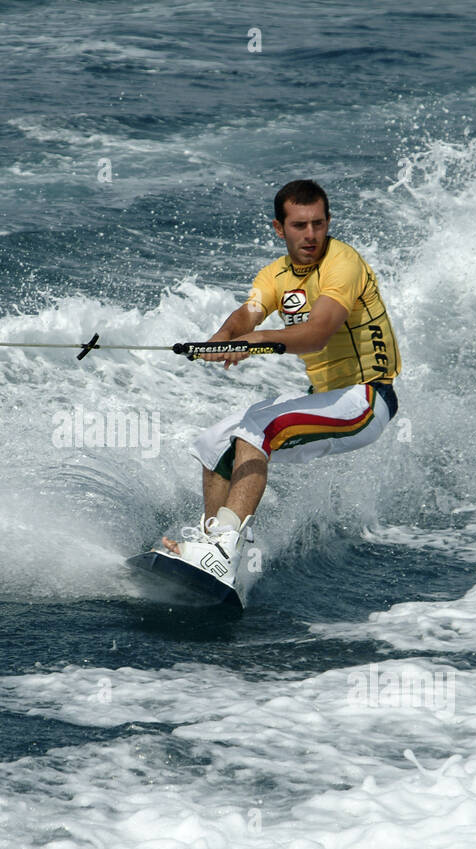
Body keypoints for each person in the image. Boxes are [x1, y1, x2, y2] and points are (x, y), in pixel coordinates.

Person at [159, 179, 402, 588]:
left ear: (328, 223)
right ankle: (210, 549)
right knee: (213, 442)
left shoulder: (343, 264)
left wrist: (252, 342)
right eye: (299, 226)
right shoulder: (276, 275)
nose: (310, 235)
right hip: (326, 399)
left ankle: (222, 550)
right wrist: (221, 340)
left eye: (318, 224)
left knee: (259, 428)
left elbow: (318, 332)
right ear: (279, 228)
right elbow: (248, 314)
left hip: (367, 398)